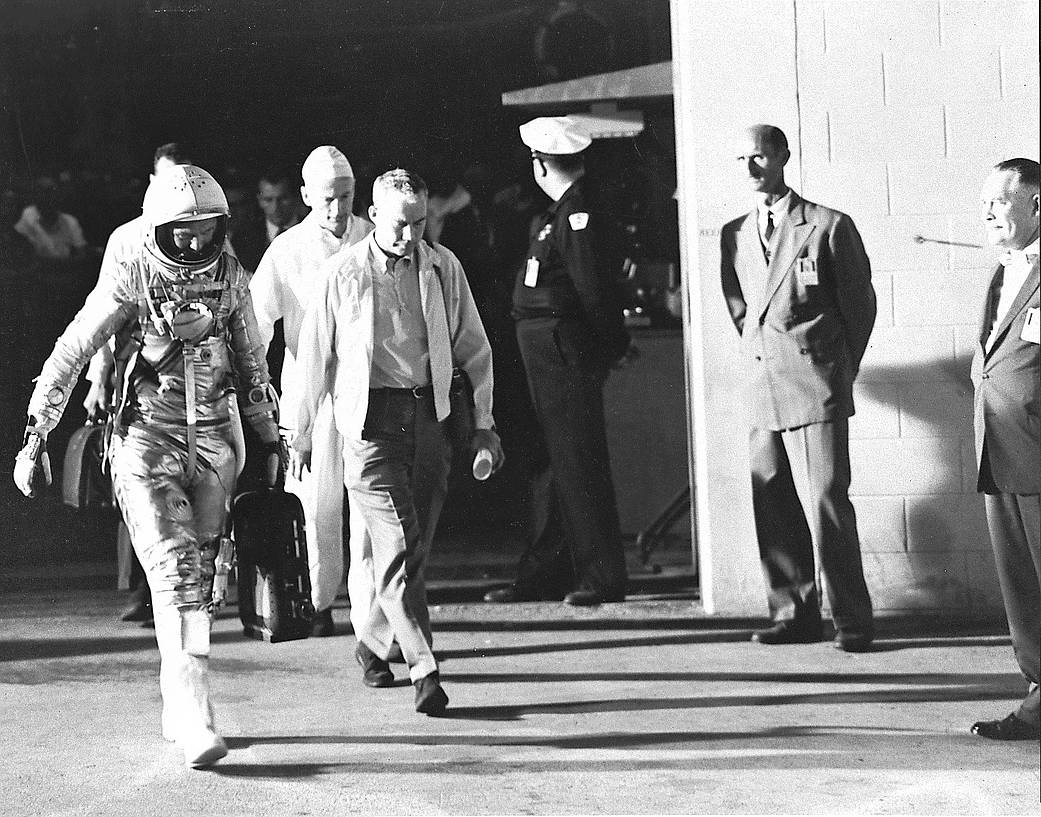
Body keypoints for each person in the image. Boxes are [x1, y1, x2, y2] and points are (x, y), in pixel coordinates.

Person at [13, 165, 282, 768]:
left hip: (215, 440)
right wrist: (37, 435)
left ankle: (177, 700)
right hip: (146, 437)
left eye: (205, 229)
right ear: (157, 226)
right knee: (177, 572)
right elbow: (74, 347)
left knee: (203, 580)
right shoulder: (132, 265)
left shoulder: (230, 274)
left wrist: (270, 438)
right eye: (180, 231)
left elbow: (252, 363)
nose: (193, 243)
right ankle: (197, 716)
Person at [292, 168, 502, 715]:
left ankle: (370, 642)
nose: (411, 236)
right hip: (367, 428)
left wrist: (483, 422)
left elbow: (474, 349)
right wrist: (301, 431)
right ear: (375, 217)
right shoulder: (342, 273)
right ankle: (425, 669)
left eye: (420, 223)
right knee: (400, 545)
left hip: (427, 420)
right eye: (401, 225)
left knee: (414, 549)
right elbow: (314, 357)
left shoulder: (443, 267)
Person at [720, 124, 876, 651]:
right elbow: (742, 311)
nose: (749, 168)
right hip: (762, 384)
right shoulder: (734, 233)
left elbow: (859, 307)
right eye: (740, 158)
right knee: (773, 501)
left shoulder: (827, 225)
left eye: (759, 156)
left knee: (827, 502)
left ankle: (852, 621)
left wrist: (839, 369)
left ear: (784, 156)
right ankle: (793, 612)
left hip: (815, 383)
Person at [484, 115, 630, 607]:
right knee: (559, 465)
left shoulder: (576, 214)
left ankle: (601, 576)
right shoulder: (560, 212)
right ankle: (548, 570)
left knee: (578, 464)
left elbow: (592, 290)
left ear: (540, 164)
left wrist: (605, 347)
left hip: (565, 351)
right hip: (546, 353)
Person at [248, 145, 373, 637]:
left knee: (367, 506)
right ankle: (318, 603)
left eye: (345, 197)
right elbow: (256, 325)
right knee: (316, 505)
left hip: (366, 388)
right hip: (308, 394)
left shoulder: (372, 237)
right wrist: (254, 388)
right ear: (304, 196)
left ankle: (371, 616)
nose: (337, 210)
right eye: (326, 199)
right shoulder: (287, 250)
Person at [83, 142, 196, 625]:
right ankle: (152, 591)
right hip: (137, 382)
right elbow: (100, 313)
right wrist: (97, 379)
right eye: (163, 180)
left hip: (191, 383)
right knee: (138, 482)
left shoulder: (204, 232)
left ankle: (188, 587)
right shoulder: (125, 240)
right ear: (150, 182)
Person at [969, 158, 1040, 741]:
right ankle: (1039, 698)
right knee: (1023, 590)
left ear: (1036, 206)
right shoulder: (1001, 273)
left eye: (1000, 199)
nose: (988, 209)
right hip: (1000, 450)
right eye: (984, 200)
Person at [229, 167, 304, 273]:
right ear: (259, 200)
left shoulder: (313, 233)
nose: (276, 207)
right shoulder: (243, 238)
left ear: (295, 198)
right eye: (268, 200)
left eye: (282, 199)